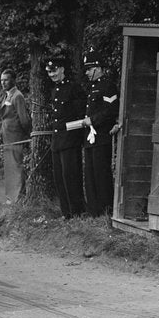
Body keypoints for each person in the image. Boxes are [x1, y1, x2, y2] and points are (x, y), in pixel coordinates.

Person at [81, 48, 119, 216]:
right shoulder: (91, 87)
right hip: (90, 137)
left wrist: (93, 120)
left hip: (102, 136)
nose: (87, 73)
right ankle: (93, 210)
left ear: (98, 68)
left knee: (101, 173)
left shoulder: (108, 86)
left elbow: (110, 110)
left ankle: (105, 210)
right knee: (90, 174)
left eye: (89, 69)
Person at [46, 58, 86, 218]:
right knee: (59, 178)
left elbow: (81, 114)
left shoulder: (73, 88)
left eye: (54, 71)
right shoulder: (54, 90)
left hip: (70, 139)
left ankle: (77, 211)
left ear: (62, 69)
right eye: (49, 72)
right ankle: (66, 212)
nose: (52, 74)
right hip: (57, 140)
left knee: (71, 176)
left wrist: (73, 133)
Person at [0, 69, 31, 204]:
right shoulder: (7, 95)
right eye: (1, 80)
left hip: (16, 137)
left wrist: (28, 135)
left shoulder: (17, 96)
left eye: (6, 80)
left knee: (16, 166)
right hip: (8, 137)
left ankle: (18, 198)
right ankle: (11, 197)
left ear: (13, 80)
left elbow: (24, 119)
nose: (3, 83)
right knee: (10, 167)